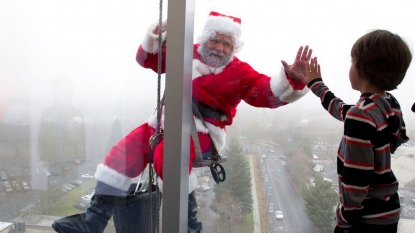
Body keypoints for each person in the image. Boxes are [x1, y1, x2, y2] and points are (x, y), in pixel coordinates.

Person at [52, 11, 313, 233]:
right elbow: (147, 60)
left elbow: (264, 93)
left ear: (234, 49)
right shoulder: (188, 54)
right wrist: (157, 34)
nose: (220, 48)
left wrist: (291, 82)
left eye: (226, 44)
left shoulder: (239, 72)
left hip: (202, 134)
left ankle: (189, 227)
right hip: (161, 124)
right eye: (215, 40)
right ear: (205, 39)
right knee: (121, 153)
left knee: (169, 154)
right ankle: (93, 221)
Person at [299, 30, 412, 233]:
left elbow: (356, 181)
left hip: (366, 219)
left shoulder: (361, 114)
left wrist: (344, 221)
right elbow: (342, 110)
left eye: (353, 62)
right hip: (388, 211)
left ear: (364, 68)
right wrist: (317, 85)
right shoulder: (387, 105)